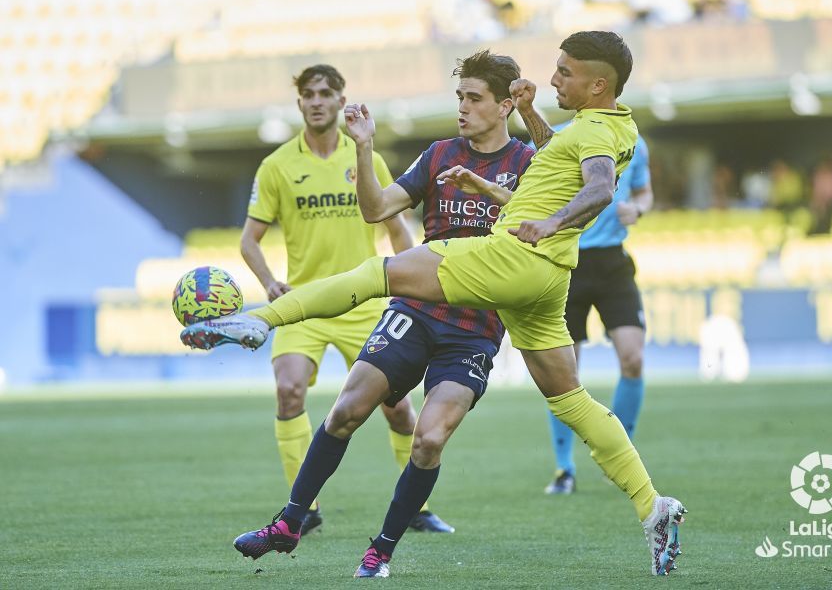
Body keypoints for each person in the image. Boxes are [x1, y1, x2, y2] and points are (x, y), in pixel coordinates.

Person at [183, 31, 687, 576]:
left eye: (564, 72)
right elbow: (558, 161)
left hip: (513, 259)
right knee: (570, 399)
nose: (554, 76)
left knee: (381, 273)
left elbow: (599, 187)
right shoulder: (615, 125)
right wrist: (530, 122)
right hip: (548, 281)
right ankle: (651, 505)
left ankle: (259, 321)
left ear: (597, 84)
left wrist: (553, 221)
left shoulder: (590, 132)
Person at [231, 49, 533, 578]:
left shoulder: (528, 164)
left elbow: (541, 220)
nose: (462, 107)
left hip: (475, 329)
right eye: (459, 97)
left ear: (505, 104)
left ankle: (383, 548)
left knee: (430, 437)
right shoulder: (439, 155)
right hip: (415, 310)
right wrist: (365, 148)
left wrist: (485, 190)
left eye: (474, 98)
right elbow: (377, 209)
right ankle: (291, 521)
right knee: (347, 408)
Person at [240, 63, 450, 535]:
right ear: (300, 104)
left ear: (340, 100)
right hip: (307, 304)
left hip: (366, 303)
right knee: (289, 388)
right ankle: (303, 508)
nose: (316, 101)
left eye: (325, 93)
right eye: (308, 94)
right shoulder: (277, 166)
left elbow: (397, 228)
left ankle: (416, 507)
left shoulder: (367, 159)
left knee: (397, 408)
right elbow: (249, 240)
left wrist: (419, 284)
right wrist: (271, 283)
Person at [543, 133, 654, 495]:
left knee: (633, 359)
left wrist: (637, 209)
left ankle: (619, 458)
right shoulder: (558, 136)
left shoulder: (633, 142)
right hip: (567, 261)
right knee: (564, 373)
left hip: (612, 262)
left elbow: (644, 193)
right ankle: (564, 469)